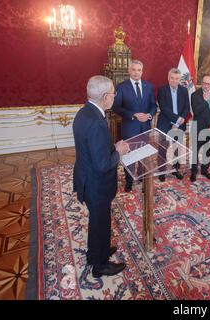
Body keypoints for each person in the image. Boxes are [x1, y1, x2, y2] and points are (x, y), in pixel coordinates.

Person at [73, 75, 130, 278]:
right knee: (101, 223)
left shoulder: (83, 113)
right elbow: (103, 164)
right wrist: (119, 151)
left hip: (86, 179)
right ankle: (100, 266)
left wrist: (110, 148)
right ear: (106, 97)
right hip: (97, 185)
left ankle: (96, 253)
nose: (115, 96)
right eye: (113, 92)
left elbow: (93, 150)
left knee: (97, 222)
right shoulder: (97, 122)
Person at [112, 60, 157, 192]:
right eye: (134, 70)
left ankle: (143, 177)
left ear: (142, 71)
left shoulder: (148, 86)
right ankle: (129, 180)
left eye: (139, 70)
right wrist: (133, 115)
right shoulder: (121, 87)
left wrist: (149, 115)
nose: (136, 72)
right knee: (130, 155)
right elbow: (116, 107)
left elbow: (153, 105)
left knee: (144, 154)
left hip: (145, 127)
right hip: (130, 127)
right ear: (129, 71)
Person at [156, 68, 189, 181]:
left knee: (177, 148)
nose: (174, 81)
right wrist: (177, 120)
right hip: (165, 123)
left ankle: (176, 169)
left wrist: (181, 119)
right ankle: (162, 171)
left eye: (177, 79)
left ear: (179, 79)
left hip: (179, 124)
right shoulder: (162, 90)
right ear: (168, 78)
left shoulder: (184, 90)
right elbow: (164, 108)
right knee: (162, 148)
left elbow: (186, 107)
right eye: (172, 78)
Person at [190, 75, 210, 182]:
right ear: (201, 83)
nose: (207, 86)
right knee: (195, 150)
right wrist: (205, 100)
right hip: (197, 127)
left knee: (208, 149)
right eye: (205, 83)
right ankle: (194, 171)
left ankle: (204, 169)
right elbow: (196, 111)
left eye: (209, 84)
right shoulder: (194, 95)